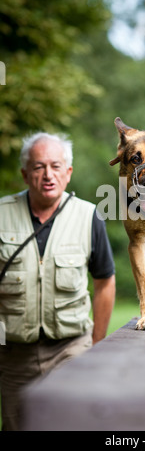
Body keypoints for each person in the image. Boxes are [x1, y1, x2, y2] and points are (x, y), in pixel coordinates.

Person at [0, 132, 116, 431]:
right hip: (14, 356)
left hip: (71, 349)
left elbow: (104, 281)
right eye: (38, 167)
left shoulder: (89, 215)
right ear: (25, 174)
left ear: (68, 172)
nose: (48, 175)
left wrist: (97, 343)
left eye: (55, 166)